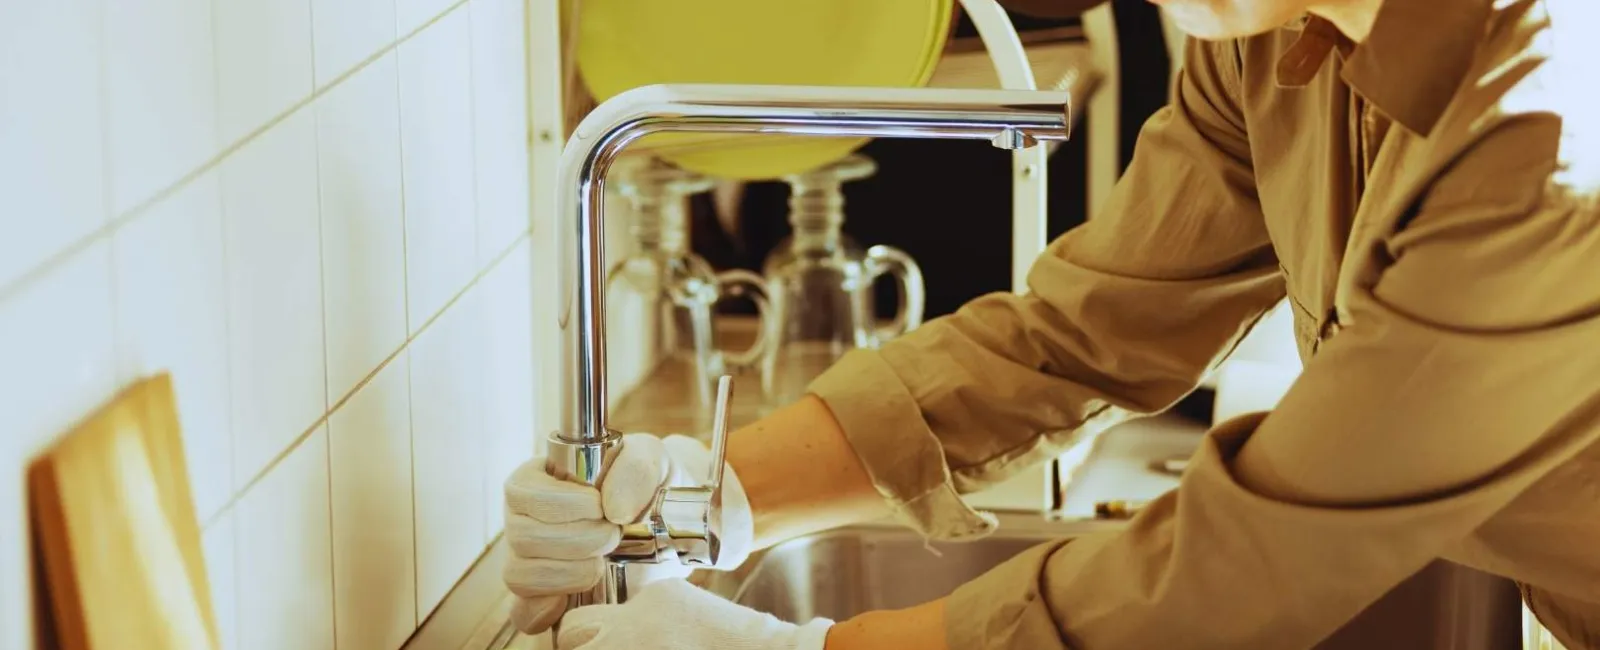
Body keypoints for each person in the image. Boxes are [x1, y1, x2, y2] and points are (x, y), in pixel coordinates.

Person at [503, 0, 1600, 647]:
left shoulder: (1547, 129)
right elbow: (1081, 330)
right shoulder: (1275, 36)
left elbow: (1256, 560)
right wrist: (711, 493)